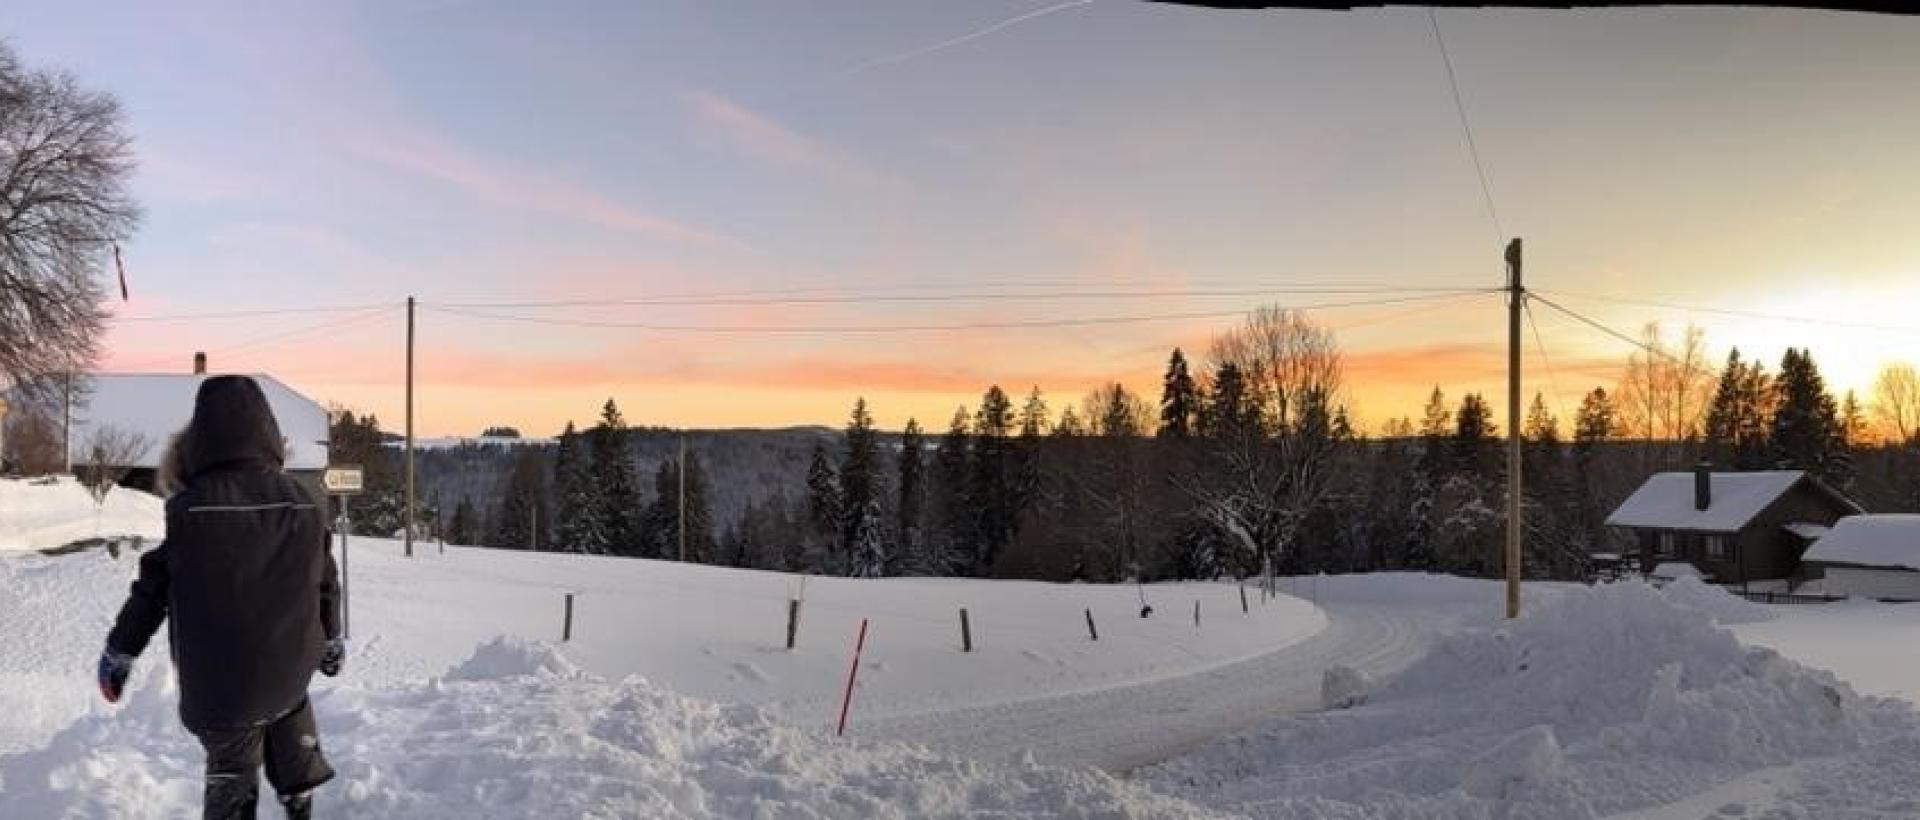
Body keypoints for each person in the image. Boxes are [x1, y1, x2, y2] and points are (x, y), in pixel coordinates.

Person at [98, 375, 344, 820]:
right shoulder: (304, 504)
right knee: (288, 705)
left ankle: (237, 795)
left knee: (233, 764)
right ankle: (298, 794)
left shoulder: (189, 510)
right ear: (269, 435)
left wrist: (120, 652)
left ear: (199, 445)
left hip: (220, 688)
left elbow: (152, 592)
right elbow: (324, 579)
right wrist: (331, 638)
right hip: (289, 667)